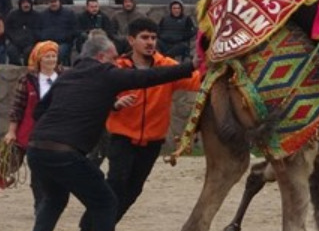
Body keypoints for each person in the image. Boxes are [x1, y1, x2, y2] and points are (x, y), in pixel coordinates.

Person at [26, 34, 197, 231]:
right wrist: (190, 66)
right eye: (113, 58)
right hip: (65, 153)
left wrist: (105, 106)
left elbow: (39, 111)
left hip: (36, 149)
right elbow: (147, 77)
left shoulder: (68, 75)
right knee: (106, 202)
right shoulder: (105, 73)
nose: (116, 62)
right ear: (100, 57)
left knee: (54, 200)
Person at [79, 18, 202, 231]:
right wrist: (114, 105)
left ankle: (94, 226)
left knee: (133, 191)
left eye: (153, 37)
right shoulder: (118, 67)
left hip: (153, 141)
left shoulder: (167, 66)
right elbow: (95, 95)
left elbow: (197, 80)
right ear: (131, 40)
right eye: (144, 37)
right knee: (116, 185)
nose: (150, 42)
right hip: (122, 138)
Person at [3, 42, 61, 212]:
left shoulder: (64, 77)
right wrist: (12, 131)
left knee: (54, 171)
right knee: (37, 171)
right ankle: (40, 204)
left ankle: (51, 202)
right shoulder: (27, 80)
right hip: (32, 131)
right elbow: (17, 107)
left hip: (57, 132)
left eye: (53, 56)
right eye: (47, 56)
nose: (51, 59)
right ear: (39, 59)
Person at [37, 0, 77, 66]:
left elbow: (74, 29)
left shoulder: (69, 14)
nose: (53, 4)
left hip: (63, 43)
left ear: (59, 1)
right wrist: (43, 37)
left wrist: (66, 37)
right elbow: (38, 29)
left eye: (55, 1)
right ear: (48, 3)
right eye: (51, 2)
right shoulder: (43, 15)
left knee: (58, 53)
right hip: (47, 43)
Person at [5, 0, 40, 65]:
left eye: (28, 3)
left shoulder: (37, 16)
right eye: (23, 3)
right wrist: (14, 38)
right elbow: (7, 28)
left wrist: (32, 39)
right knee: (11, 51)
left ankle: (26, 69)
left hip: (30, 42)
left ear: (31, 4)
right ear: (20, 4)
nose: (26, 5)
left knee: (29, 52)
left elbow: (39, 30)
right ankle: (17, 69)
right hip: (15, 42)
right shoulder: (13, 14)